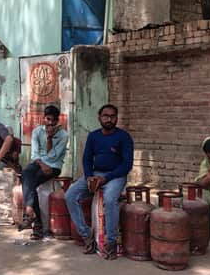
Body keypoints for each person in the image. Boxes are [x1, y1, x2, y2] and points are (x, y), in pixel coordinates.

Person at [64, 104, 133, 259]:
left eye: (112, 116)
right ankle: (87, 236)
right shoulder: (93, 136)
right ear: (99, 118)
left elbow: (127, 165)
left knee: (109, 200)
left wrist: (106, 178)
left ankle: (110, 243)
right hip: (95, 174)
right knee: (70, 195)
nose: (109, 119)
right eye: (105, 116)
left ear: (116, 118)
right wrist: (89, 177)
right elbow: (87, 159)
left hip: (115, 176)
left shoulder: (124, 137)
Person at [19, 105, 68, 240]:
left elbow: (54, 156)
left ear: (57, 120)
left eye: (53, 120)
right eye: (48, 119)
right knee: (25, 173)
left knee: (31, 183)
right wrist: (41, 164)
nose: (50, 123)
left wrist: (50, 138)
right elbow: (34, 154)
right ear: (44, 118)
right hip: (39, 163)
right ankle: (31, 211)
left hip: (54, 166)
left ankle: (36, 222)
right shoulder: (37, 131)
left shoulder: (63, 135)